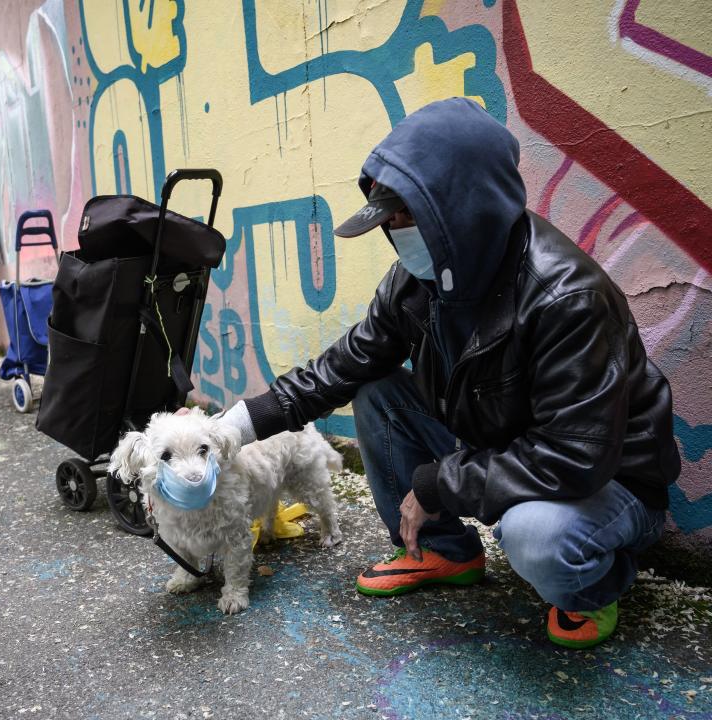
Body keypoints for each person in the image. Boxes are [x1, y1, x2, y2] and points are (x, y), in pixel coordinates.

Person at [215, 98, 680, 649]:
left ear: (465, 210)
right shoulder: (418, 281)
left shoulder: (567, 298)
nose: (393, 230)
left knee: (536, 537)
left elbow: (574, 458)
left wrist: (439, 483)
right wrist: (234, 427)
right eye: (387, 217)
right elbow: (342, 366)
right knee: (375, 390)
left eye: (406, 215)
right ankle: (442, 553)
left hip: (608, 481)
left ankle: (592, 586)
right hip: (504, 446)